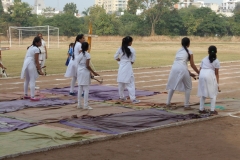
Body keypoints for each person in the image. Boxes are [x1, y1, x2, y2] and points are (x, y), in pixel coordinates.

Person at [166, 37, 199, 110]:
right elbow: (192, 65)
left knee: (172, 85)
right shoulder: (189, 51)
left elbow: (182, 64)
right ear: (189, 44)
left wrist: (190, 73)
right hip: (182, 69)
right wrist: (199, 72)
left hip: (174, 68)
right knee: (188, 87)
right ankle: (186, 105)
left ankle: (168, 103)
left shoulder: (178, 51)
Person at [114, 36, 140, 104]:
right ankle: (133, 99)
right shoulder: (132, 49)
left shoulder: (120, 48)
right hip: (128, 66)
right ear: (129, 42)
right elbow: (132, 61)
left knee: (121, 82)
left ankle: (121, 97)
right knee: (130, 83)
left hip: (121, 66)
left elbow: (115, 57)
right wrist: (128, 62)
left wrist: (121, 61)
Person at [198, 46, 220, 115]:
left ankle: (201, 109)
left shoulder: (204, 59)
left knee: (203, 92)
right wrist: (217, 84)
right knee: (213, 93)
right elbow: (216, 73)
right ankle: (212, 110)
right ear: (216, 52)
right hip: (209, 75)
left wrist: (200, 76)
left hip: (202, 74)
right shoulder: (216, 61)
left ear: (208, 52)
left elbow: (200, 69)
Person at [76, 42, 99, 109]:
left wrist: (90, 73)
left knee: (80, 88)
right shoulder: (87, 55)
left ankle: (79, 104)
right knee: (86, 89)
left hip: (79, 71)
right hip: (85, 72)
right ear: (87, 47)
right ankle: (85, 105)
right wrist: (93, 72)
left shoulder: (80, 54)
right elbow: (87, 66)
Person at [21, 36, 44, 101]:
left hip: (26, 63)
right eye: (40, 42)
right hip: (30, 63)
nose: (41, 43)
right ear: (36, 43)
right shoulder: (36, 49)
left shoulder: (31, 47)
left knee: (27, 80)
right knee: (32, 80)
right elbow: (36, 60)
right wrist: (40, 70)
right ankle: (32, 96)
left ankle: (26, 94)